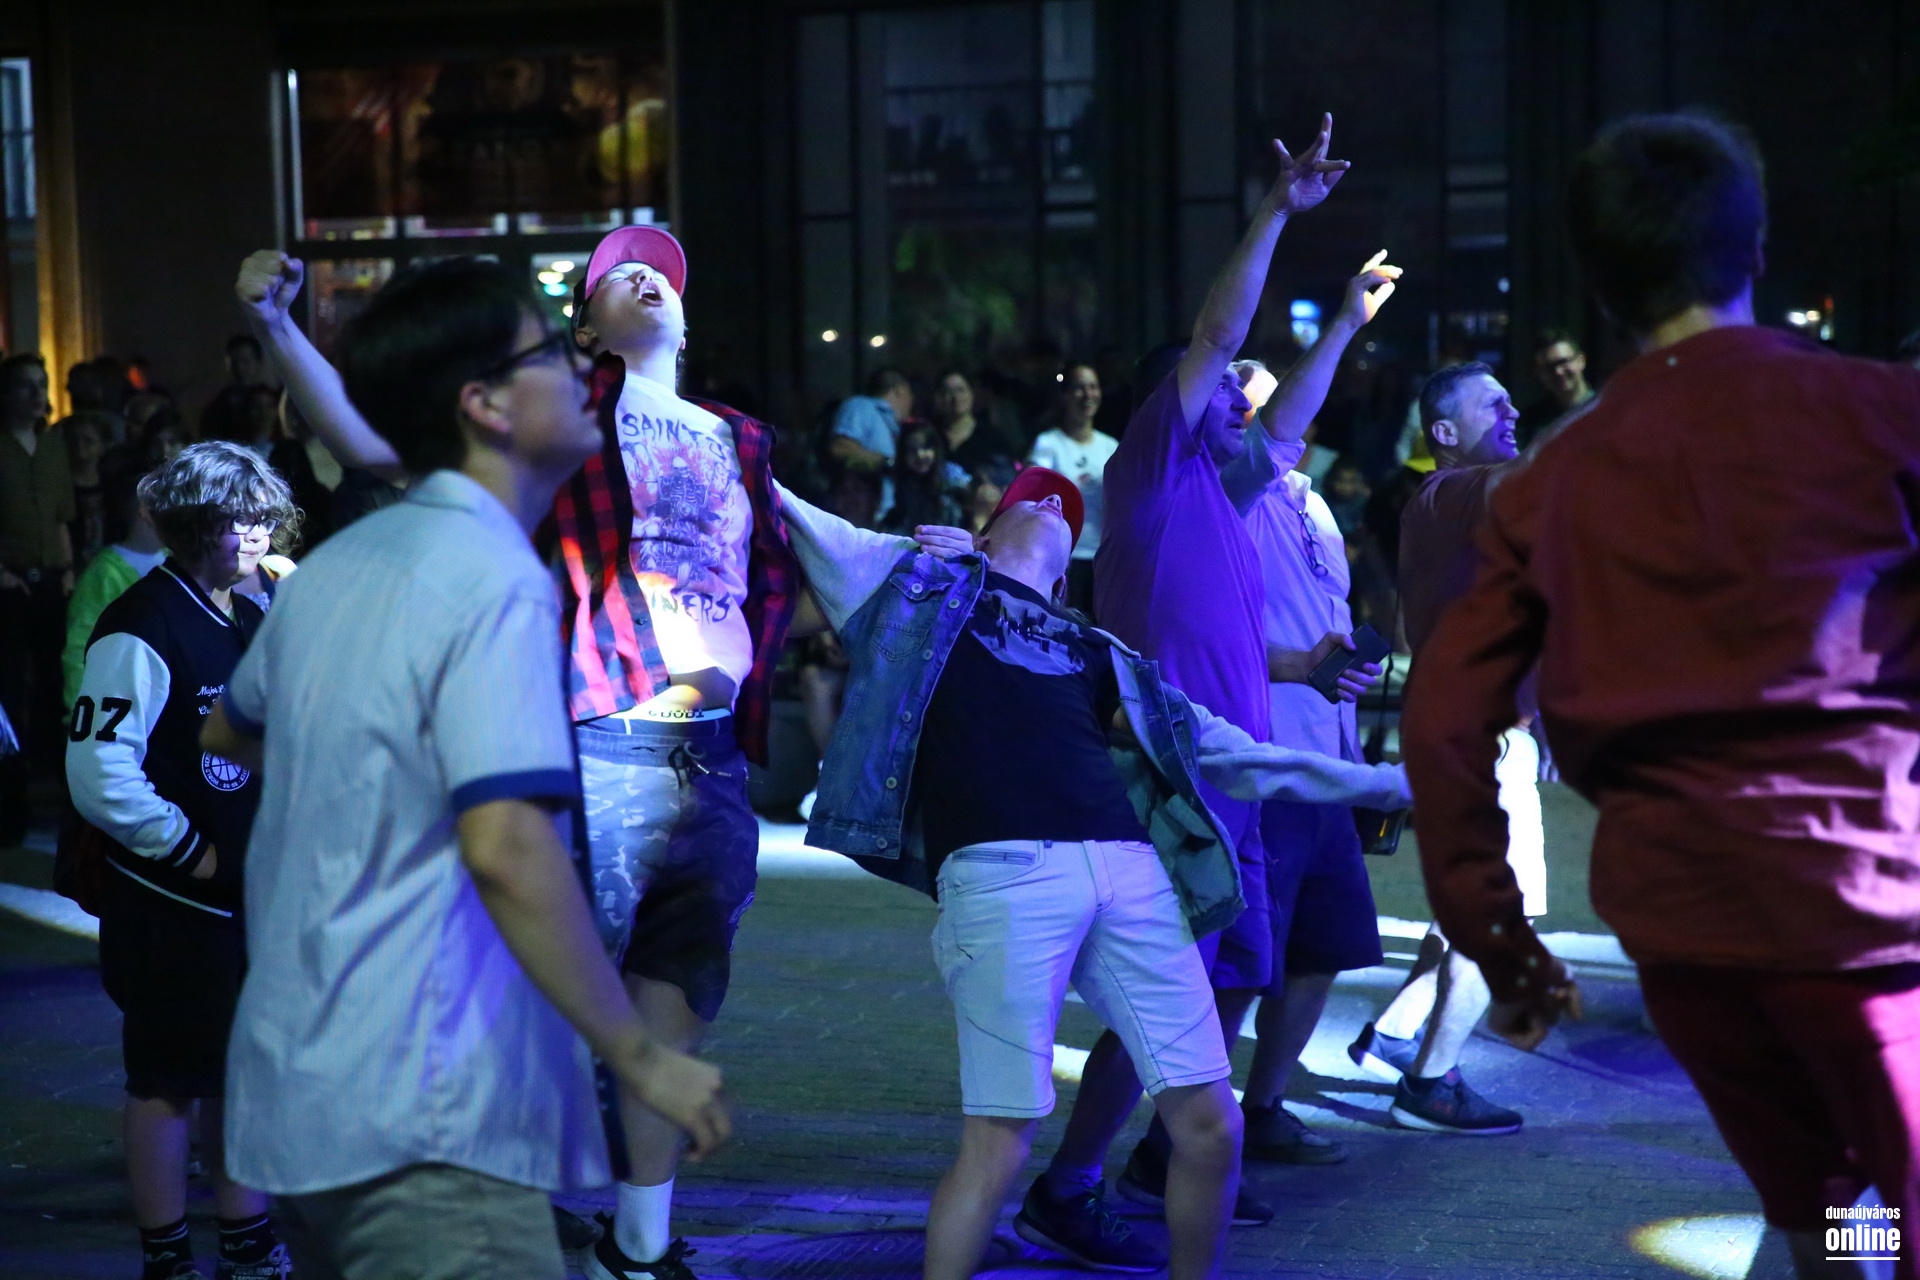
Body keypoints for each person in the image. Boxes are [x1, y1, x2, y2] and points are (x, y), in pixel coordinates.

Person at [1404, 113, 1920, 1280]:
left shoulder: (1552, 479)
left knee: (1821, 1207)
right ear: (1758, 247)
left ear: (1601, 286)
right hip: (1864, 909)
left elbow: (1442, 721)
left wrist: (1503, 945)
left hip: (1686, 935)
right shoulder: (1881, 411)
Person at [236, 224, 802, 1280]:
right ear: (577, 339)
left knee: (675, 995)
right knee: (568, 987)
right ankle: (539, 1194)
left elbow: (236, 725)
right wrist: (279, 329)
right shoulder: (517, 503)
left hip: (714, 757)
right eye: (617, 279)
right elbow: (378, 439)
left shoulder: (736, 441)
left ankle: (638, 1243)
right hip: (606, 745)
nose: (648, 279)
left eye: (665, 274)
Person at [777, 467, 1411, 1280]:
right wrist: (913, 548)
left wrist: (1383, 784)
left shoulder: (1097, 650)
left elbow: (1226, 748)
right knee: (999, 1140)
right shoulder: (918, 585)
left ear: (1066, 575)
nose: (1051, 504)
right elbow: (782, 502)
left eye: (1065, 509)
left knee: (1213, 1123)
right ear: (982, 535)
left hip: (1129, 868)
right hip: (1002, 872)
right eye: (1032, 499)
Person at [1075, 112, 1354, 1225]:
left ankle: (1158, 1160)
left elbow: (1288, 422)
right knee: (1167, 997)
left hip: (1235, 783)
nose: (1247, 398)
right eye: (1227, 391)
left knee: (1233, 976)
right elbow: (1214, 332)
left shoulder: (1227, 498)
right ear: (1175, 407)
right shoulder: (1151, 474)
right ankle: (1070, 1183)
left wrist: (1345, 323)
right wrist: (1276, 212)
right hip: (1177, 778)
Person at [66, 441, 298, 1280]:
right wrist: (189, 851)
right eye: (238, 519)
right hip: (173, 903)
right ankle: (167, 1256)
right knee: (165, 1081)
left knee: (240, 1074)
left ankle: (247, 1240)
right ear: (193, 526)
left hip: (246, 896)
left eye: (264, 517)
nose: (256, 534)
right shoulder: (141, 624)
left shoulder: (252, 612)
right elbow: (98, 771)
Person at [1215, 255, 1400, 1164]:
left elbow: (1324, 623)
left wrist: (1350, 677)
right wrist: (1345, 324)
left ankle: (1265, 1106)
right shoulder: (1228, 492)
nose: (1269, 417)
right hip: (1271, 760)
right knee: (1250, 957)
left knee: (1325, 946)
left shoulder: (1314, 503)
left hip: (1330, 761)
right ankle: (1191, 1131)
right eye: (1252, 406)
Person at [1345, 359, 1540, 1136]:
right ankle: (1430, 1084)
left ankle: (1394, 1034)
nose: (1513, 411)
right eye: (1496, 404)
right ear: (1445, 432)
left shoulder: (1449, 502)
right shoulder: (1452, 490)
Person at [0, 352, 74, 841]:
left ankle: (58, 795)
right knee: (10, 691)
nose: (35, 394)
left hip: (51, 580)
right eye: (25, 385)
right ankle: (11, 806)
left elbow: (62, 516)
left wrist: (67, 571)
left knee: (55, 686)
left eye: (40, 384)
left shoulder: (52, 446)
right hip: (9, 584)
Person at [62, 451, 168, 711]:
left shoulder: (177, 561)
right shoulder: (103, 573)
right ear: (145, 512)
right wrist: (78, 712)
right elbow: (80, 647)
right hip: (120, 702)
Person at [1027, 364, 1117, 614]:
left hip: (1102, 559)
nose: (1087, 395)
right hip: (1061, 559)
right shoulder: (1048, 443)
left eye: (1093, 387)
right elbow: (1032, 494)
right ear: (1064, 396)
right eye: (1079, 388)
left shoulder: (1110, 446)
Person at [880, 422, 963, 535]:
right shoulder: (901, 484)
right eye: (912, 450)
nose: (919, 455)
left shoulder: (952, 479)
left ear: (935, 449)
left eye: (925, 447)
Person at [931, 369, 1017, 475]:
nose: (955, 397)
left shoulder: (992, 437)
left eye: (961, 390)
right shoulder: (929, 434)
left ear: (971, 394)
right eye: (948, 392)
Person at [828, 367, 913, 474]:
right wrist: (887, 463)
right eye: (910, 395)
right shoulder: (861, 406)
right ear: (900, 390)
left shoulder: (892, 424)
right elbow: (840, 449)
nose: (911, 403)